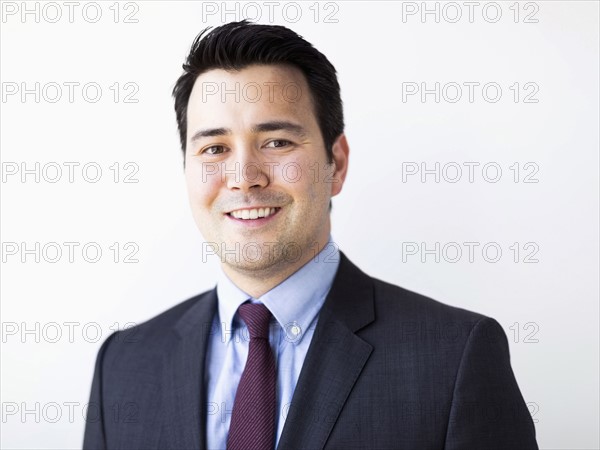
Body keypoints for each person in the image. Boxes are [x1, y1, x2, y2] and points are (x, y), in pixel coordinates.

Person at [83, 20, 538, 449]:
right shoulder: (123, 364)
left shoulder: (454, 356)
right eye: (215, 148)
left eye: (277, 142)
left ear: (336, 163)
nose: (244, 177)